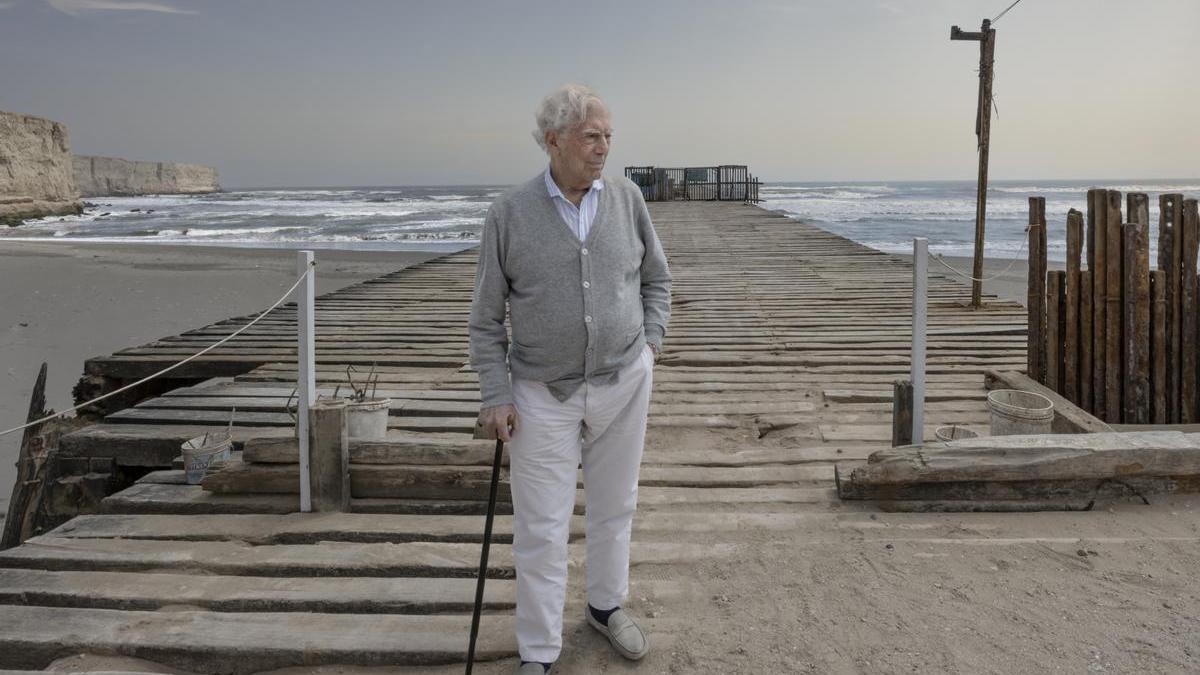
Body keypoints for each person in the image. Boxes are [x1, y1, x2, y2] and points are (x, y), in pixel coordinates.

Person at [468, 83, 672, 674]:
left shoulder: (628, 198)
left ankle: (606, 609)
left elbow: (657, 280)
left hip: (624, 380)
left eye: (609, 135)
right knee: (541, 527)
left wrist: (650, 346)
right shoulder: (508, 213)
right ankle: (538, 651)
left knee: (616, 506)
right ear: (553, 140)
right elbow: (484, 320)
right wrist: (495, 393)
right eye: (592, 136)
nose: (604, 146)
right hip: (540, 394)